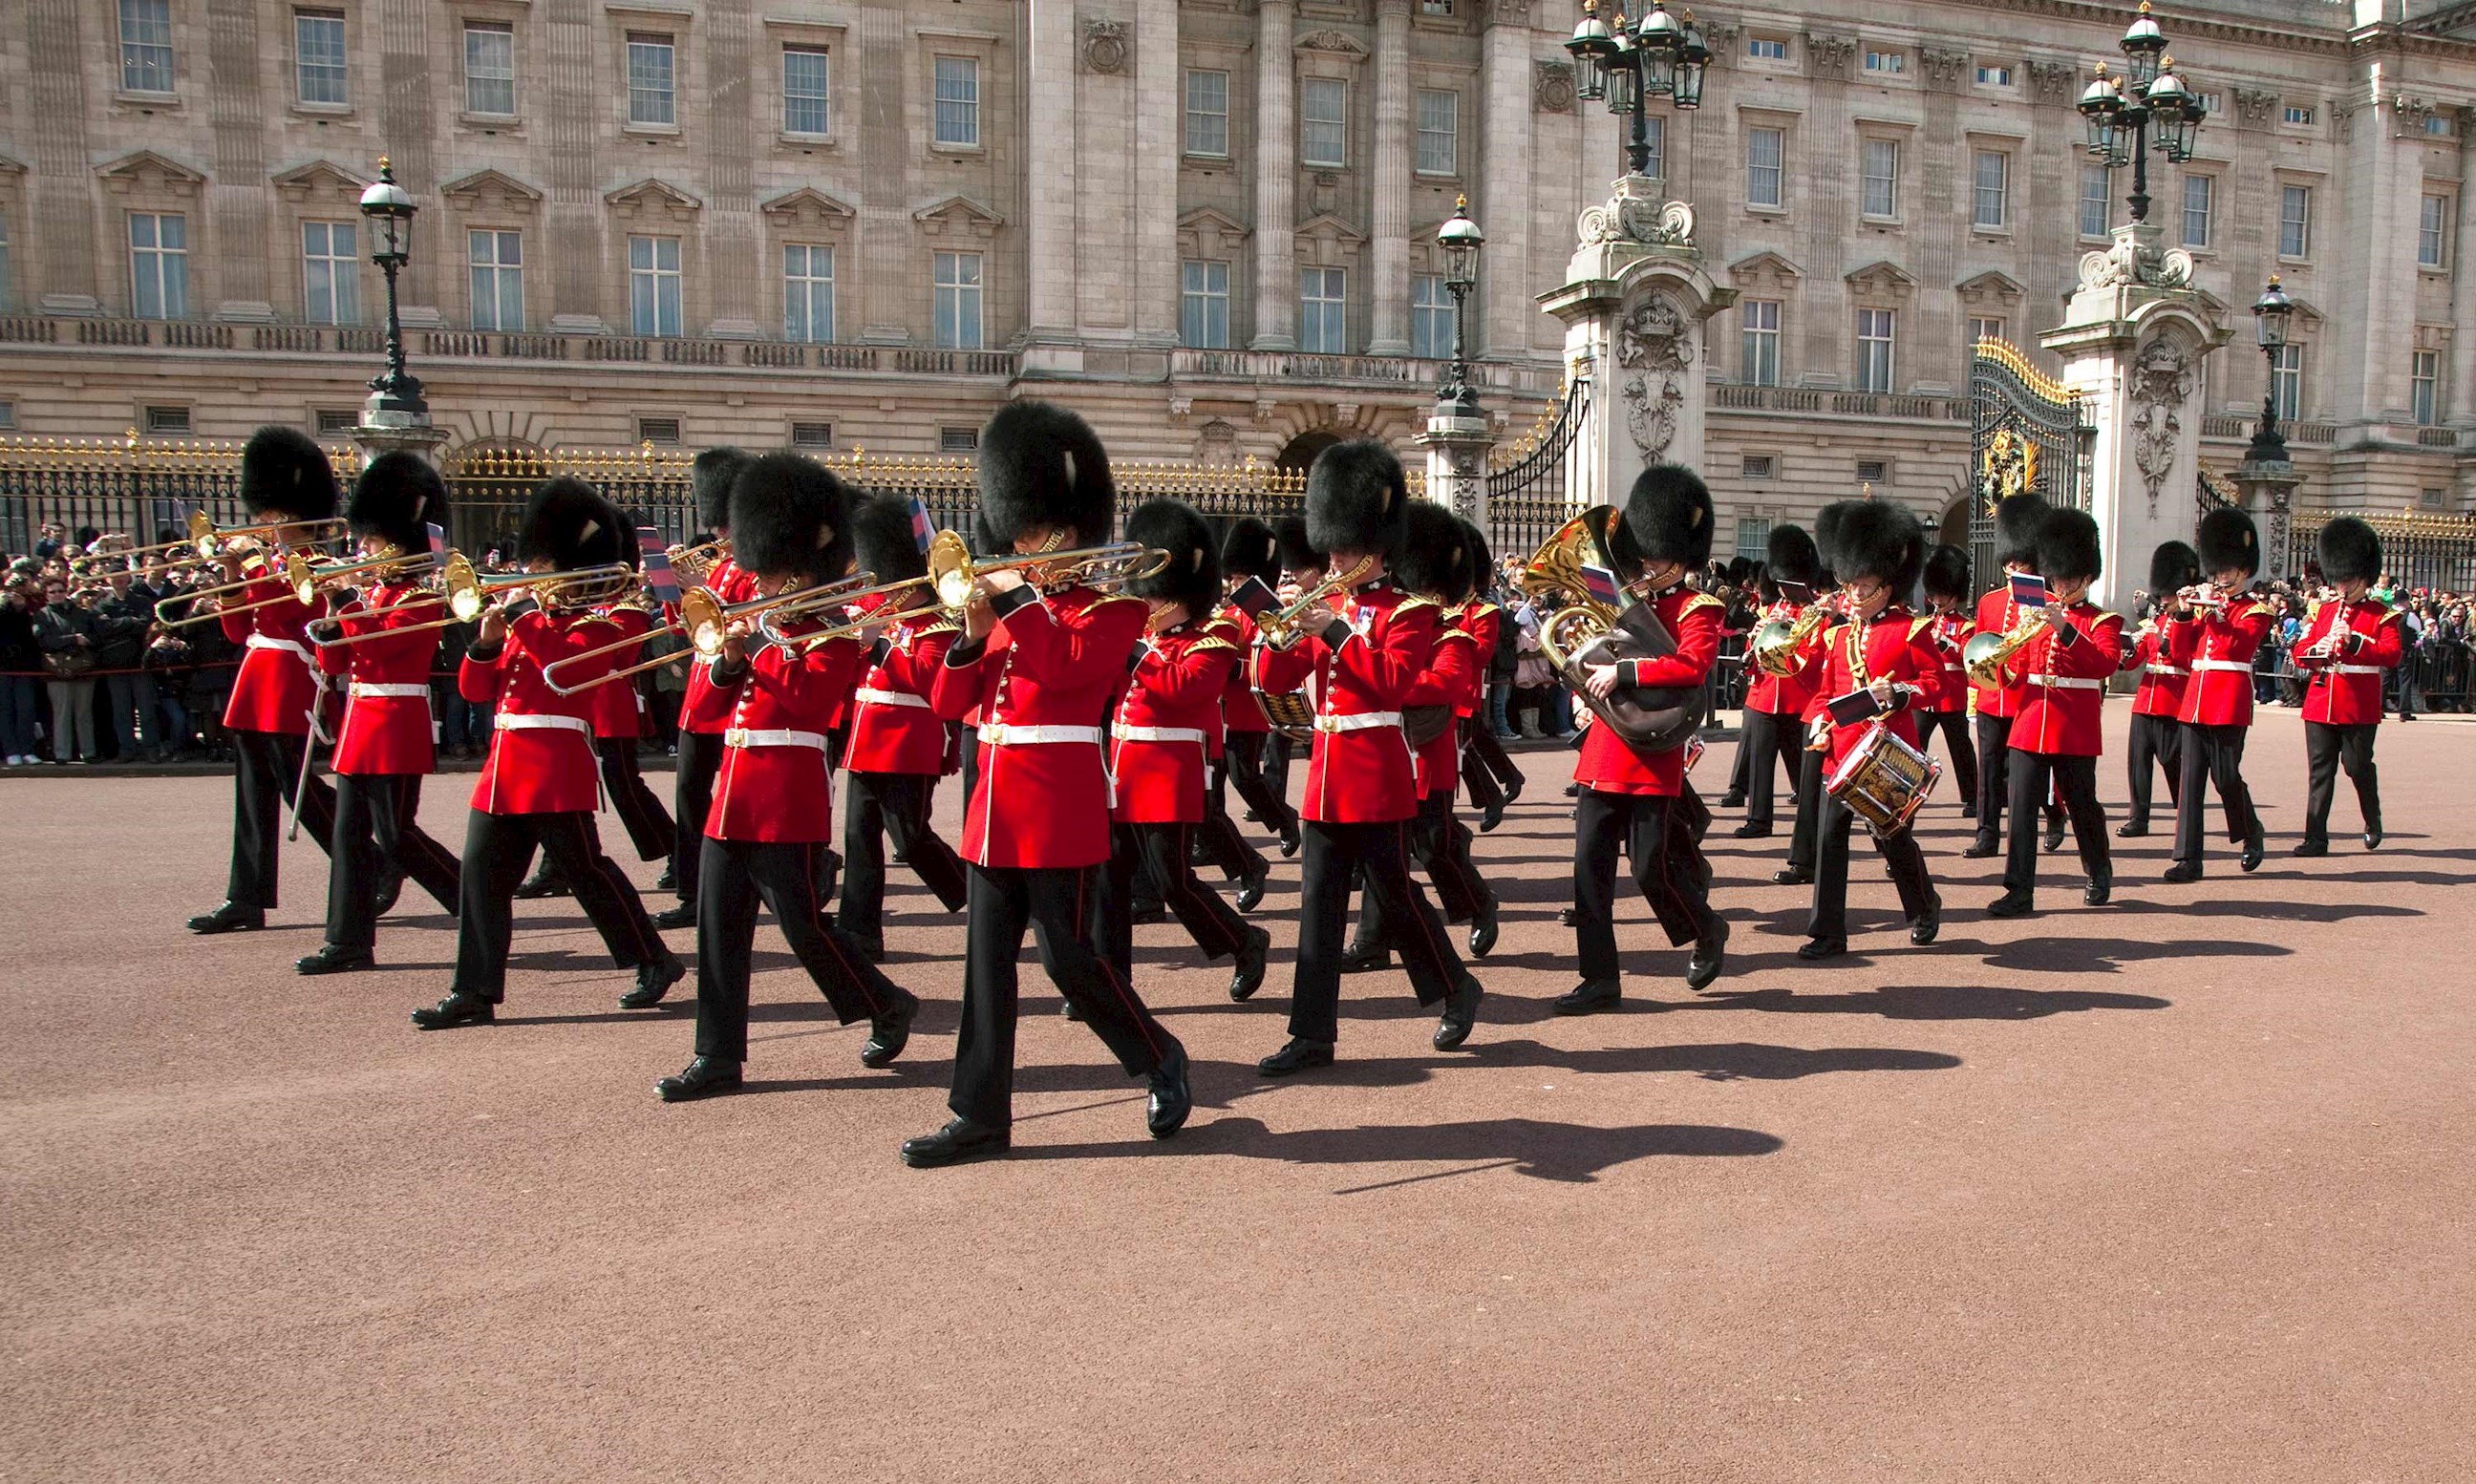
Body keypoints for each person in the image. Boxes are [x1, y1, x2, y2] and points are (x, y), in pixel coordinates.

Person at [903, 401, 1191, 1167]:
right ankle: (979, 1116)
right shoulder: (1006, 612)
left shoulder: (1116, 608)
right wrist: (969, 635)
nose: (1015, 547)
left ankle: (1158, 1056)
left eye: (1026, 536)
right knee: (986, 970)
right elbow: (948, 703)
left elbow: (1066, 669)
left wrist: (1013, 600)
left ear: (1060, 534)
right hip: (991, 810)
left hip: (1056, 805)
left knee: (1069, 959)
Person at [656, 453, 923, 1101]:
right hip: (734, 796)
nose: (760, 581)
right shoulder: (756, 627)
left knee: (805, 930)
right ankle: (717, 1057)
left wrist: (763, 640)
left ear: (801, 571)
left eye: (770, 571)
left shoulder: (833, 632)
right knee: (718, 931)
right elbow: (709, 710)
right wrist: (725, 660)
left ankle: (885, 1003)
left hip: (787, 797)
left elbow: (807, 702)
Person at [410, 477, 686, 1029]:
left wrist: (524, 619)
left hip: (555, 762)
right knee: (482, 880)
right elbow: (473, 692)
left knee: (587, 872)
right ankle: (475, 989)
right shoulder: (529, 618)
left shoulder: (615, 618)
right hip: (504, 766)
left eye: (541, 566)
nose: (530, 576)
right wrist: (486, 644)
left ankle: (654, 959)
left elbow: (570, 674)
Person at [1253, 439, 1486, 1077]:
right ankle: (1311, 1035)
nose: (1332, 559)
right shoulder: (1333, 610)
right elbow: (1277, 677)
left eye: (1344, 549)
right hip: (1325, 780)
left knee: (1397, 900)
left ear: (1377, 550)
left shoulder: (1408, 613)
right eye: (1330, 548)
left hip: (1376, 777)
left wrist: (1331, 629)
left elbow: (1391, 682)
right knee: (1318, 913)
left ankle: (1454, 986)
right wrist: (1275, 630)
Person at [1558, 466, 1731, 1012]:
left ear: (1682, 557)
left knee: (1649, 866)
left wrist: (1627, 675)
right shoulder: (1620, 602)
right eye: (1646, 556)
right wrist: (1581, 692)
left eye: (1657, 558)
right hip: (1605, 745)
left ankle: (1705, 928)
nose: (1648, 566)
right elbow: (1591, 657)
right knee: (1589, 868)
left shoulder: (1700, 608)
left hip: (1652, 749)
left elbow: (1692, 665)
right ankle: (1599, 978)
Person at [1088, 498, 1273, 1002]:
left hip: (1170, 774)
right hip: (1122, 772)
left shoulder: (1214, 636)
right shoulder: (1146, 633)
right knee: (1111, 880)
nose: (1146, 603)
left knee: (1173, 882)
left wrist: (1135, 651)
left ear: (1179, 592)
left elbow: (1183, 690)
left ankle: (1244, 940)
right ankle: (1112, 980)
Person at [295, 452, 465, 975]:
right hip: (359, 720)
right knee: (350, 834)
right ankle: (347, 941)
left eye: (368, 541)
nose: (360, 550)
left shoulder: (421, 598)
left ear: (396, 541)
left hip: (396, 720)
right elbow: (345, 659)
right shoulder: (374, 592)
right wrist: (326, 627)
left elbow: (387, 647)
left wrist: (345, 606)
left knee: (396, 834)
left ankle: (471, 899)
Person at [185, 426, 340, 934]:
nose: (262, 524)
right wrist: (230, 577)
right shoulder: (259, 561)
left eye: (271, 516)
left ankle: (376, 856)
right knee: (252, 794)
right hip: (255, 683)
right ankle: (246, 897)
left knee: (303, 791)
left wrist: (255, 567)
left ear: (292, 516)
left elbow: (301, 618)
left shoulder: (315, 565)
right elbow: (237, 629)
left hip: (289, 682)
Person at [1339, 502, 1501, 971]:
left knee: (1433, 844)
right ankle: (1371, 938)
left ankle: (1478, 903)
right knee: (1382, 848)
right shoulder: (1383, 621)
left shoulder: (1451, 634)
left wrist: (1389, 681)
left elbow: (1448, 684)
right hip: (1382, 751)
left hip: (1428, 752)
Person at [1799, 500, 1942, 961]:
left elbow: (1936, 685)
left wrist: (1898, 693)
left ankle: (1923, 905)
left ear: (1886, 585)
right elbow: (1825, 690)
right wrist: (1820, 716)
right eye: (1851, 584)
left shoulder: (1910, 630)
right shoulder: (1838, 635)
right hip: (1841, 750)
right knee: (1828, 839)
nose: (1854, 594)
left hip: (1886, 750)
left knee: (1891, 837)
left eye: (1864, 585)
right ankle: (1828, 932)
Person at [835, 495, 970, 961]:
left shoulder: (934, 628)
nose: (883, 592)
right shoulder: (883, 618)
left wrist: (880, 648)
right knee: (858, 837)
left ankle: (968, 890)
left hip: (907, 746)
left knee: (910, 839)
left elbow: (927, 684)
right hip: (866, 742)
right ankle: (859, 931)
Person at [1987, 509, 2122, 918]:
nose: (2061, 586)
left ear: (2087, 578)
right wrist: (2001, 666)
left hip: (2073, 726)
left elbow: (2103, 664)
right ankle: (2019, 890)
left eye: (2069, 579)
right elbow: (2021, 669)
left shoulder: (2103, 620)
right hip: (2030, 721)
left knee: (2082, 804)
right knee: (2022, 809)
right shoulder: (2037, 617)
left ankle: (2098, 870)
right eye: (2057, 578)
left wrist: (2065, 627)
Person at [655, 448, 757, 930]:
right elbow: (695, 631)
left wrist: (702, 589)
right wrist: (675, 588)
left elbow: (751, 627)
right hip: (702, 693)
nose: (717, 531)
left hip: (733, 694)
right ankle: (691, 888)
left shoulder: (753, 568)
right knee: (690, 794)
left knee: (734, 796)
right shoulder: (720, 564)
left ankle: (811, 866)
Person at [2164, 506, 2273, 882]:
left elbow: (2236, 648)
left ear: (2244, 571)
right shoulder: (2203, 607)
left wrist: (2216, 612)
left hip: (2228, 700)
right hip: (2195, 700)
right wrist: (2182, 614)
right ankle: (2188, 859)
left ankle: (2251, 829)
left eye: (2228, 570)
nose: (2221, 576)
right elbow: (2180, 654)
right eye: (2218, 569)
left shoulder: (2256, 610)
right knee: (2190, 781)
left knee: (2226, 778)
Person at [2292, 517, 2401, 855]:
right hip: (2321, 700)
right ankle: (2315, 838)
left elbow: (2392, 654)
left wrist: (2354, 643)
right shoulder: (2324, 612)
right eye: (2338, 577)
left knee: (2357, 767)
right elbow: (2299, 651)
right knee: (2319, 773)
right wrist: (2316, 650)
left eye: (2348, 578)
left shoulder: (2383, 615)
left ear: (2364, 578)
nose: (2342, 584)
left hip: (2357, 704)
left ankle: (2372, 818)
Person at [1963, 493, 2051, 860]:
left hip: (2024, 698)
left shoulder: (2045, 601)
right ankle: (1987, 833)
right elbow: (1980, 644)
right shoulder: (1990, 601)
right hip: (1991, 697)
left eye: (2021, 561)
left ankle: (2051, 816)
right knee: (1989, 770)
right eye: (2011, 561)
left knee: (2023, 775)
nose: (2014, 567)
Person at [1211, 516, 1301, 861]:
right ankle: (1210, 844)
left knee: (1244, 776)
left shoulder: (1267, 610)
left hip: (1246, 709)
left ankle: (1284, 818)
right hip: (1219, 709)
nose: (1233, 583)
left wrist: (1231, 665)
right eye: (1232, 577)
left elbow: (1270, 659)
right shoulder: (1230, 610)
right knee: (1214, 781)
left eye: (1240, 577)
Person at [1735, 524, 1825, 863]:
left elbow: (1815, 659)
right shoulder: (1772, 611)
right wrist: (1753, 642)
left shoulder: (1817, 615)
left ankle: (1808, 819)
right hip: (1763, 694)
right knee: (1759, 760)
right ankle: (1758, 818)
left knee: (1801, 767)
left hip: (1797, 697)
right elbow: (1754, 647)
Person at [2119, 541, 2198, 838]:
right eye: (2162, 595)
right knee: (2138, 760)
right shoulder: (2158, 620)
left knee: (2172, 762)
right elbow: (2134, 662)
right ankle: (2138, 817)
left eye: (2168, 595)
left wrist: (2162, 640)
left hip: (2173, 700)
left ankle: (2184, 813)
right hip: (2146, 698)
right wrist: (2127, 649)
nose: (2164, 600)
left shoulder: (2191, 621)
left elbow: (2185, 659)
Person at [1454, 522, 1526, 833]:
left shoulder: (1485, 612)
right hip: (1446, 689)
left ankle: (1491, 794)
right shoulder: (1447, 607)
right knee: (1473, 741)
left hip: (1465, 689)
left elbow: (1481, 654)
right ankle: (1509, 778)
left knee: (1463, 747)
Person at [1915, 543, 1978, 817]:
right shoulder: (1921, 623)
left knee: (1961, 749)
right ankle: (1908, 792)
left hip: (1952, 696)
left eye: (1945, 595)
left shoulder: (1967, 626)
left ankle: (1973, 797)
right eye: (1936, 595)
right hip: (1926, 696)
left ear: (1956, 595)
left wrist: (1946, 644)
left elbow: (1969, 656)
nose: (1939, 600)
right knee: (1913, 747)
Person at [33, 577, 100, 762]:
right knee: (61, 714)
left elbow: (96, 636)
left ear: (66, 592)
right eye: (52, 592)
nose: (57, 595)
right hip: (58, 671)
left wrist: (85, 640)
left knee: (84, 713)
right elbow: (44, 641)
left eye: (60, 591)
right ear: (46, 595)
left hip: (82, 668)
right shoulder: (42, 615)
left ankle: (88, 752)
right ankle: (61, 754)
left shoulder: (81, 613)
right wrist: (72, 639)